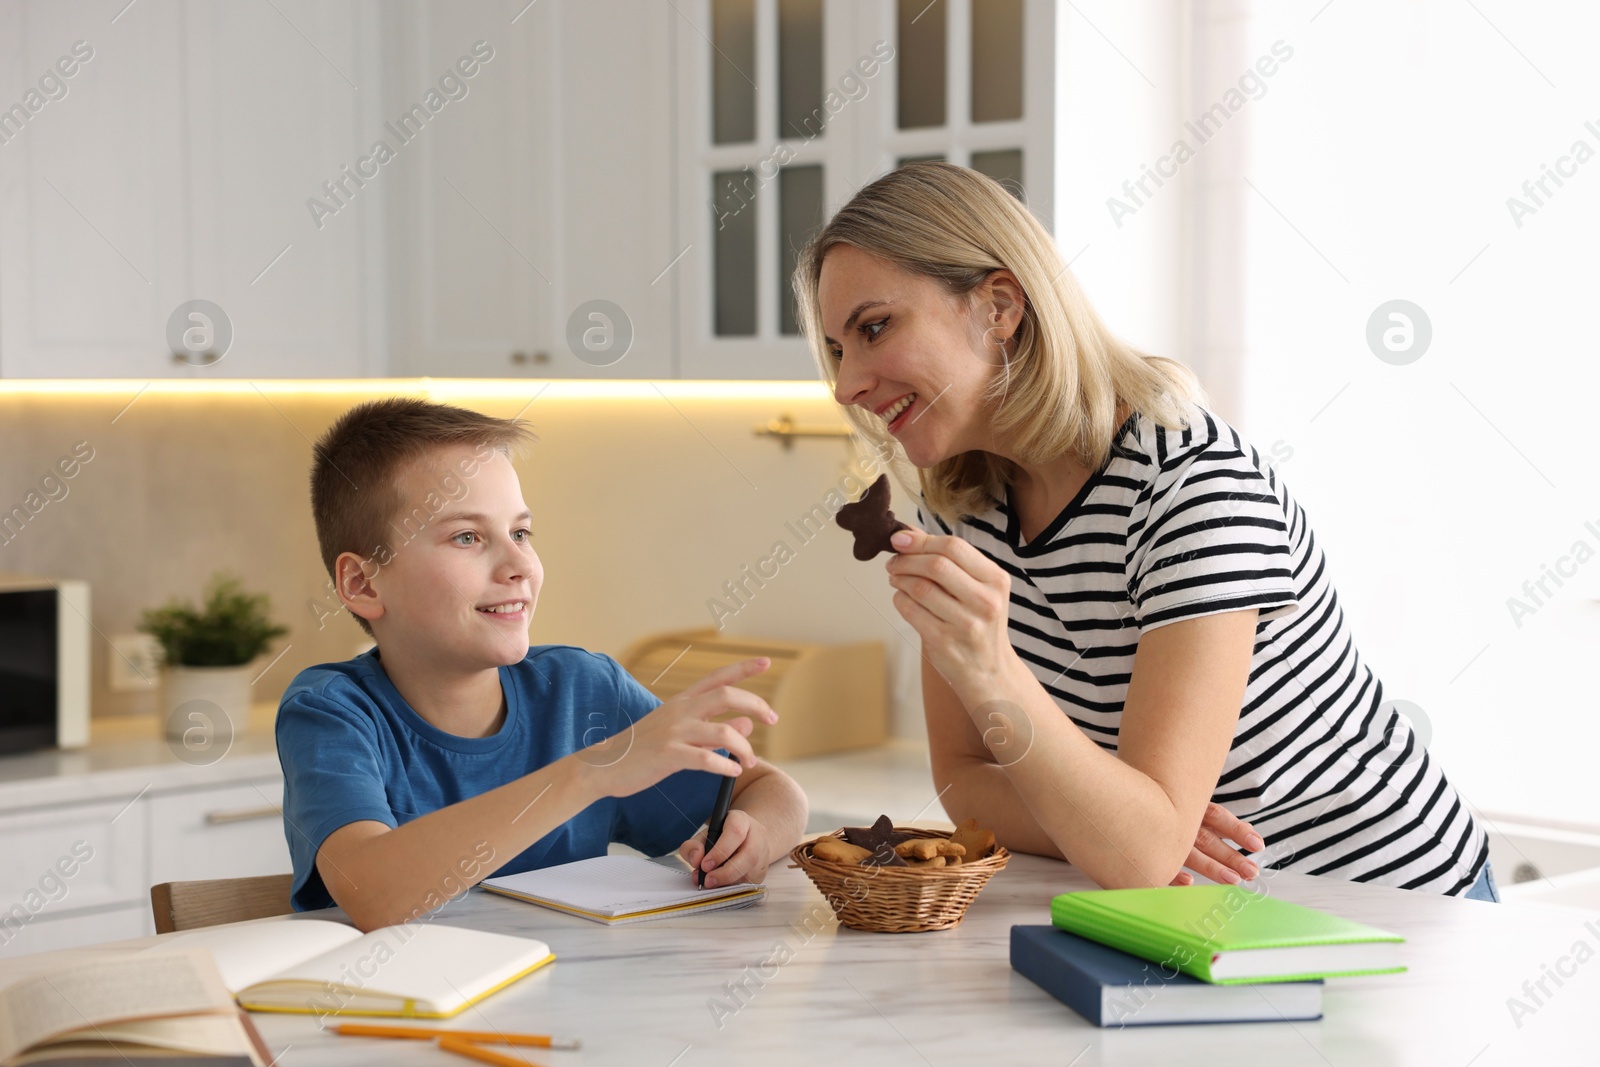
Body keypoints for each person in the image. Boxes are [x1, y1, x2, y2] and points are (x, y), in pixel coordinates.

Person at [793, 162, 1494, 900]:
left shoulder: (1192, 487)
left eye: (874, 328)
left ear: (997, 305)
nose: (847, 385)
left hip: (1393, 906)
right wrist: (1118, 821)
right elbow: (966, 787)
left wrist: (992, 668)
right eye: (840, 349)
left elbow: (1137, 853)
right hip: (1209, 915)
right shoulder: (961, 509)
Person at [276, 398, 808, 928]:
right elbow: (371, 892)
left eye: (521, 533)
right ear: (364, 583)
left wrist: (752, 835)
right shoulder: (331, 713)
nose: (519, 565)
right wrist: (591, 772)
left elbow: (771, 791)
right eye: (467, 537)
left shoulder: (583, 690)